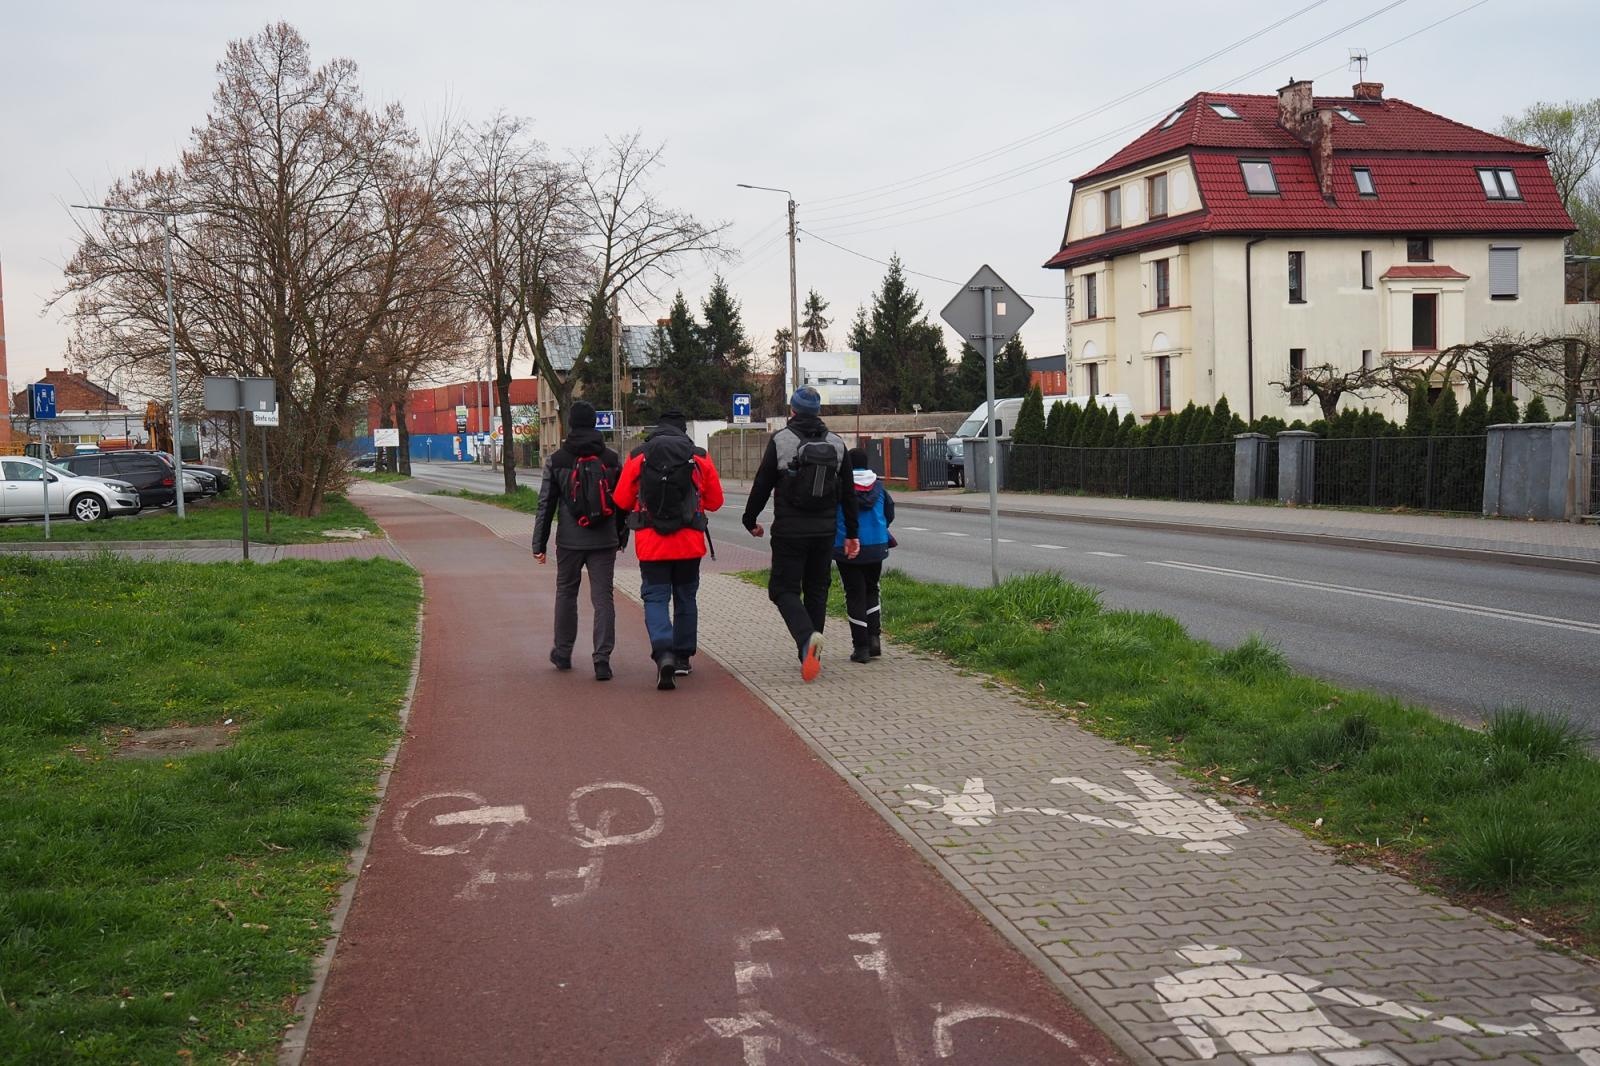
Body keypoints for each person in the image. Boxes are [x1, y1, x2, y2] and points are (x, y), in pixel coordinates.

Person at [742, 387, 859, 682]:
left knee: (783, 590)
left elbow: (762, 483)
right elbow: (849, 494)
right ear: (818, 411)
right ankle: (809, 655)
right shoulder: (837, 443)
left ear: (792, 411)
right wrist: (852, 534)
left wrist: (750, 518)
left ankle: (807, 639)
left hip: (790, 532)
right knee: (817, 590)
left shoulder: (781, 440)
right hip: (825, 532)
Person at [610, 410, 724, 691]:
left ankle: (664, 653)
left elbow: (621, 500)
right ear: (683, 430)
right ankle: (683, 657)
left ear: (657, 429)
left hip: (652, 543)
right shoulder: (698, 456)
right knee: (686, 597)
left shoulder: (639, 455)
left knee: (656, 598)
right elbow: (716, 501)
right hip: (689, 543)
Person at [532, 401, 627, 681]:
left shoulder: (558, 459)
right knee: (603, 598)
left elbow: (545, 504)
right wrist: (621, 535)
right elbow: (622, 503)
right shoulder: (610, 458)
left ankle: (562, 652)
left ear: (570, 424)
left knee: (566, 594)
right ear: (595, 424)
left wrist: (539, 544)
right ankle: (602, 660)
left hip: (570, 542)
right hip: (604, 540)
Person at [835, 447, 893, 664]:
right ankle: (874, 639)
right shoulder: (878, 486)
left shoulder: (841, 485)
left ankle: (861, 648)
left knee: (854, 593)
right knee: (872, 588)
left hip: (847, 545)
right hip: (877, 544)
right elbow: (890, 512)